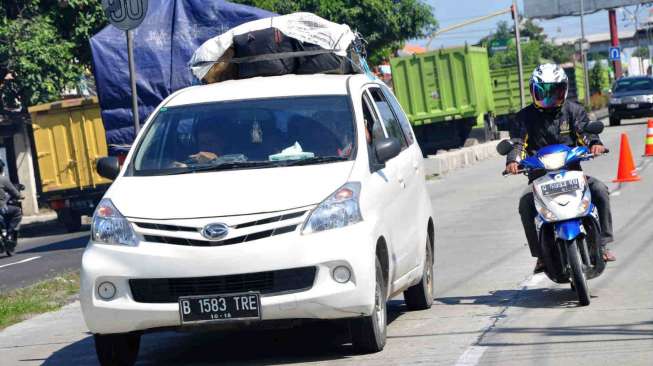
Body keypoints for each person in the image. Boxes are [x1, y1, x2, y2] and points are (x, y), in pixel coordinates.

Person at [505, 63, 616, 274]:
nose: (548, 98)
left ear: (564, 90)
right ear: (533, 91)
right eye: (542, 92)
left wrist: (594, 143)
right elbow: (518, 144)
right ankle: (540, 256)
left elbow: (585, 132)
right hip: (540, 177)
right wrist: (513, 160)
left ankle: (602, 244)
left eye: (554, 92)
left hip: (573, 173)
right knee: (526, 203)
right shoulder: (523, 118)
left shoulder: (574, 111)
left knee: (600, 190)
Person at [0, 160, 22, 242]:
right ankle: (9, 233)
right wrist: (21, 196)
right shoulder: (3, 179)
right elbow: (15, 192)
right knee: (17, 212)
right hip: (1, 208)